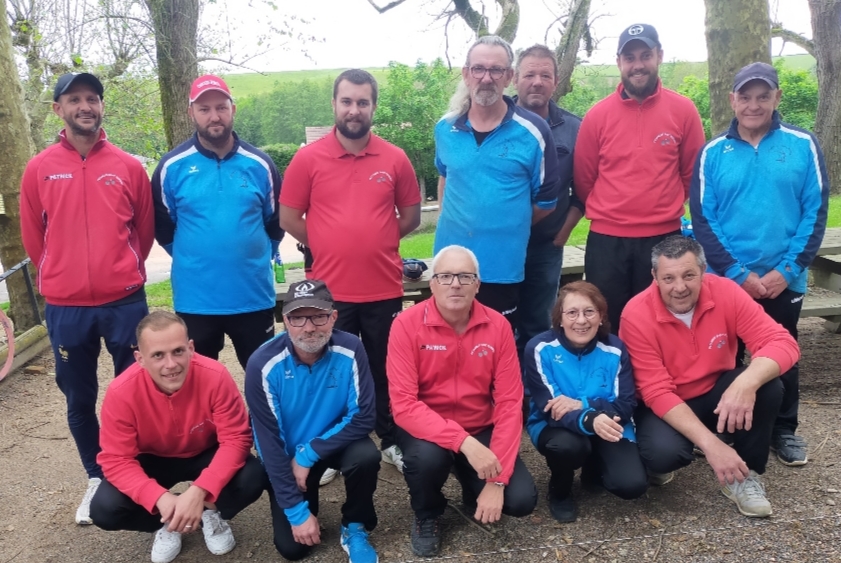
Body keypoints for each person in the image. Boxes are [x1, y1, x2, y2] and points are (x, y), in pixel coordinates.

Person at [19, 72, 154, 525]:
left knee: (134, 391)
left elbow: (144, 232)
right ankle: (96, 474)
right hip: (66, 306)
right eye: (74, 99)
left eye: (92, 98)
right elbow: (35, 239)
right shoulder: (39, 167)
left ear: (101, 106)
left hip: (124, 302)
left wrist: (120, 272)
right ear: (58, 108)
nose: (85, 106)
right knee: (79, 396)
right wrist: (63, 275)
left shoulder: (129, 166)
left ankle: (134, 470)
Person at [280, 69, 421, 474]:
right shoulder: (308, 159)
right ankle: (327, 451)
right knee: (330, 372)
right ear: (335, 105)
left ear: (373, 106)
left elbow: (409, 216)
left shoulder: (394, 158)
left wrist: (374, 238)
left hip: (382, 288)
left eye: (363, 102)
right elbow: (289, 216)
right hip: (330, 292)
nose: (354, 110)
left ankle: (391, 439)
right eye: (347, 101)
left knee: (384, 369)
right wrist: (327, 240)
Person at [690, 62, 829, 467]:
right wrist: (737, 274)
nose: (754, 105)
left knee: (782, 351)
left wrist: (786, 270)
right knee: (723, 357)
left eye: (763, 96)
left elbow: (815, 211)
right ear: (732, 100)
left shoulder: (803, 145)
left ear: (777, 98)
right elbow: (703, 218)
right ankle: (726, 426)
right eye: (745, 97)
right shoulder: (713, 152)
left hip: (784, 278)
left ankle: (784, 430)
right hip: (726, 281)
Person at [619, 236, 800, 518]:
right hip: (669, 402)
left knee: (768, 386)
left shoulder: (726, 292)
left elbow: (783, 342)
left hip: (718, 391)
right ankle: (683, 453)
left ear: (703, 271)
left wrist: (746, 382)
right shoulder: (635, 313)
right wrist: (712, 445)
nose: (679, 287)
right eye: (669, 278)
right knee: (663, 455)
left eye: (689, 275)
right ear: (654, 277)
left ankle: (745, 475)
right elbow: (656, 392)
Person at [387, 245, 537, 557]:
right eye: (445, 276)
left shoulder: (498, 326)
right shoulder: (406, 325)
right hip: (426, 428)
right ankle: (428, 514)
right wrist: (464, 443)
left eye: (465, 276)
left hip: (479, 424)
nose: (455, 284)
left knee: (520, 500)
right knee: (427, 460)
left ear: (478, 285)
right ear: (432, 284)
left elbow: (510, 402)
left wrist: (497, 483)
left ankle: (473, 483)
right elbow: (403, 405)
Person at [89, 312, 264, 563]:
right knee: (104, 509)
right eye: (158, 355)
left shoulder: (215, 375)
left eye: (178, 351)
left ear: (191, 348)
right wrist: (159, 498)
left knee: (253, 476)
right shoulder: (121, 392)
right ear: (140, 358)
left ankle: (206, 511)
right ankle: (169, 522)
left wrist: (199, 492)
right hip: (152, 459)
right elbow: (116, 459)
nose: (171, 364)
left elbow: (236, 439)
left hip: (205, 451)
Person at [573, 24, 706, 333]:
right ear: (619, 61)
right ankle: (613, 380)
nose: (638, 65)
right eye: (630, 57)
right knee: (606, 321)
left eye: (645, 55)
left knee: (661, 320)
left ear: (659, 56)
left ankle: (660, 382)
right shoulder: (597, 115)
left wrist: (660, 206)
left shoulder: (683, 110)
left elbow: (691, 174)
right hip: (608, 240)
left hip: (664, 237)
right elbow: (584, 178)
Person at [152, 74, 283, 370]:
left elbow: (276, 221)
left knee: (264, 379)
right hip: (196, 300)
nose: (215, 116)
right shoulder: (172, 167)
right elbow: (163, 225)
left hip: (252, 297)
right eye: (204, 109)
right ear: (191, 113)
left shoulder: (260, 164)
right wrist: (195, 254)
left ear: (233, 109)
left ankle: (259, 421)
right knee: (196, 383)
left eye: (221, 107)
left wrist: (251, 253)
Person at [245, 279, 380, 563]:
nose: (308, 327)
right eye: (297, 318)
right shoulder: (262, 363)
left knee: (366, 455)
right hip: (286, 457)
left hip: (330, 445)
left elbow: (365, 415)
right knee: (293, 550)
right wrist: (296, 512)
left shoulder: (351, 348)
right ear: (284, 321)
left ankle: (354, 525)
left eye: (318, 316)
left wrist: (308, 454)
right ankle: (302, 504)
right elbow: (268, 444)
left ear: (333, 317)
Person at [433, 35, 560, 330]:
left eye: (496, 70)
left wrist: (505, 224)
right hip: (449, 267)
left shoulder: (534, 132)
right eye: (478, 69)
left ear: (509, 78)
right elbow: (445, 177)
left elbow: (546, 203)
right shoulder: (445, 127)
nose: (486, 78)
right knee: (445, 345)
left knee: (494, 350)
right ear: (466, 74)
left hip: (502, 267)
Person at [524, 281, 647, 523]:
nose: (581, 321)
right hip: (555, 427)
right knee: (569, 447)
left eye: (589, 311)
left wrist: (582, 404)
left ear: (601, 316)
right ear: (559, 318)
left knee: (631, 485)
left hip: (611, 422)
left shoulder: (615, 348)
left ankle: (594, 470)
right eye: (572, 313)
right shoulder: (539, 348)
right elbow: (551, 408)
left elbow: (625, 404)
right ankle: (560, 491)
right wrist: (591, 418)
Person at [512, 44, 583, 359]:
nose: (537, 82)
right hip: (499, 246)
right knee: (498, 322)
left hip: (545, 246)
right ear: (515, 79)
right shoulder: (497, 121)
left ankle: (535, 397)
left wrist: (563, 235)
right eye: (529, 74)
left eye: (545, 75)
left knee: (539, 324)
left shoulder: (574, 128)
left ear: (556, 81)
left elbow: (585, 189)